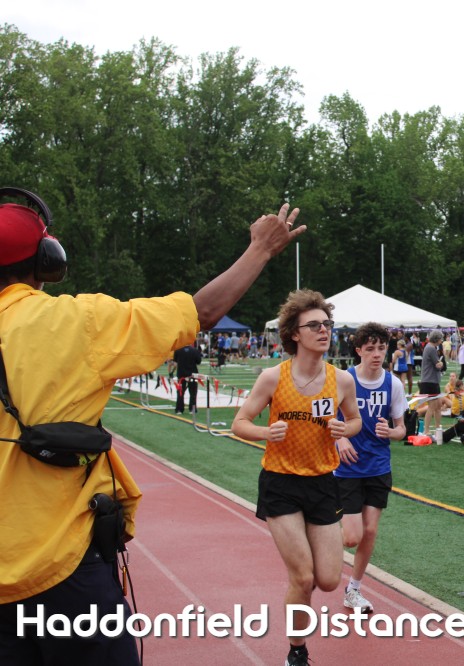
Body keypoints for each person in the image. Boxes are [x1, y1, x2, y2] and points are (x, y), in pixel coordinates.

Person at [0, 189, 303, 665]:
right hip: (62, 566)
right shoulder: (76, 321)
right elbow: (199, 313)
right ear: (47, 261)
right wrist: (261, 248)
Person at [232, 289, 362, 666]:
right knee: (303, 578)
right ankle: (297, 652)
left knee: (329, 580)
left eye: (327, 324)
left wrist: (345, 429)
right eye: (314, 325)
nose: (324, 331)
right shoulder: (273, 377)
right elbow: (240, 422)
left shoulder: (342, 380)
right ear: (294, 333)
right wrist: (264, 432)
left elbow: (355, 420)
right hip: (281, 483)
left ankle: (302, 582)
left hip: (322, 483)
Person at [334, 322, 407, 615]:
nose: (377, 354)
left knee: (370, 531)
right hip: (348, 467)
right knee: (351, 537)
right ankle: (318, 536)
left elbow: (401, 429)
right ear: (358, 351)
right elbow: (325, 419)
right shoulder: (344, 379)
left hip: (378, 466)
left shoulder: (394, 384)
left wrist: (391, 432)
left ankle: (353, 589)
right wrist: (340, 440)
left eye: (381, 348)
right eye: (370, 349)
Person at [419, 330, 445, 437]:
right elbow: (437, 365)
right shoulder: (431, 348)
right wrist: (441, 363)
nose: (441, 341)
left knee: (438, 406)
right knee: (432, 407)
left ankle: (438, 428)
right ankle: (426, 430)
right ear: (437, 339)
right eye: (441, 339)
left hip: (432, 381)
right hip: (430, 381)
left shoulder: (429, 347)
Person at [173, 343, 202, 415]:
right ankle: (192, 409)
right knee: (193, 392)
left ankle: (179, 409)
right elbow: (198, 362)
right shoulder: (195, 350)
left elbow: (175, 362)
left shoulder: (177, 350)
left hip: (181, 374)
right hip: (192, 374)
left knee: (180, 392)